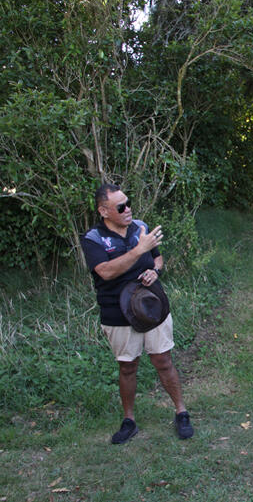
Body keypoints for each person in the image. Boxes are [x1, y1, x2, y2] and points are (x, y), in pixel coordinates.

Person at [82, 183, 193, 444]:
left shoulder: (141, 227)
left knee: (163, 361)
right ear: (104, 211)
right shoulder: (94, 239)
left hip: (153, 307)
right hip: (117, 314)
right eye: (121, 206)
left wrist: (156, 270)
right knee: (128, 366)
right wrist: (138, 250)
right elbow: (106, 272)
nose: (128, 209)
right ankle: (129, 420)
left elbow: (158, 259)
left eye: (128, 202)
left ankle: (181, 412)